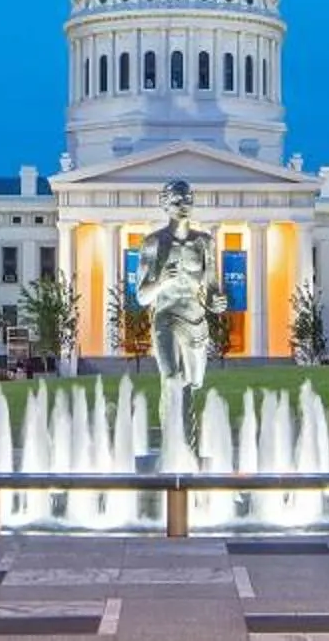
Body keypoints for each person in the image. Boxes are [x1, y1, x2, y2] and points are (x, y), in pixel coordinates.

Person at [135, 178, 227, 452]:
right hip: (166, 318)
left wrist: (216, 302)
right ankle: (178, 447)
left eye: (187, 199)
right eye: (176, 200)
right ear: (164, 204)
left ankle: (183, 444)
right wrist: (161, 281)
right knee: (173, 379)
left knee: (192, 383)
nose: (183, 204)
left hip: (195, 321)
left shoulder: (204, 242)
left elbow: (211, 288)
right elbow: (142, 297)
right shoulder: (153, 243)